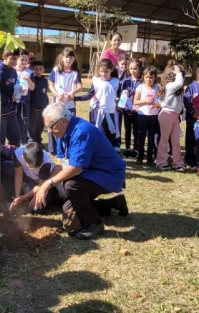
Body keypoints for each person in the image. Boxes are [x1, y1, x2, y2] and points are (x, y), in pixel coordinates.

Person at [35, 103, 128, 240]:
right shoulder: (62, 133)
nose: (49, 131)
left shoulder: (82, 132)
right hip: (92, 173)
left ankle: (95, 224)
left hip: (110, 174)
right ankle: (114, 204)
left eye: (51, 126)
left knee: (71, 185)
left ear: (63, 121)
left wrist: (48, 184)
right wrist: (44, 186)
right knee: (70, 207)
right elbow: (60, 165)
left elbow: (75, 169)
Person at [75, 59, 120, 148]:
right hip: (99, 112)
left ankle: (109, 151)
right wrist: (74, 98)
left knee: (112, 134)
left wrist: (121, 98)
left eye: (106, 72)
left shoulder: (116, 81)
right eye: (101, 71)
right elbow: (89, 95)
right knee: (100, 133)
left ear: (111, 69)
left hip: (111, 112)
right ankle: (100, 151)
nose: (103, 74)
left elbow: (120, 95)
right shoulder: (96, 80)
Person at [10, 142, 65, 213]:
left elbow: (41, 185)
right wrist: (17, 197)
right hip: (30, 178)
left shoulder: (46, 163)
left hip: (45, 182)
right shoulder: (18, 154)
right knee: (7, 167)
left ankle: (55, 195)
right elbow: (18, 175)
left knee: (36, 209)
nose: (33, 169)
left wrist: (23, 198)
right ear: (23, 158)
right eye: (31, 166)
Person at [47, 47, 82, 154]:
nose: (68, 59)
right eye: (66, 57)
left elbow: (80, 87)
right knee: (53, 126)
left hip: (69, 105)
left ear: (74, 59)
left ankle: (67, 148)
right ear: (62, 57)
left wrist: (72, 93)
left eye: (71, 57)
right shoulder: (56, 70)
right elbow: (51, 84)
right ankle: (53, 149)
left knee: (69, 126)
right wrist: (56, 93)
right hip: (57, 104)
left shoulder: (75, 72)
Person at [155, 61, 185, 171]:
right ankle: (161, 161)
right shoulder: (170, 86)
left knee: (176, 141)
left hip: (175, 116)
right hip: (166, 114)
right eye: (179, 75)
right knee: (164, 140)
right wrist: (178, 73)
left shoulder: (178, 90)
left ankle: (178, 163)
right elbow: (179, 83)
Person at [133, 66, 160, 165]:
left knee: (152, 137)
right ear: (143, 77)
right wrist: (144, 101)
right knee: (141, 136)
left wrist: (156, 105)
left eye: (151, 78)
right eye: (147, 77)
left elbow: (161, 101)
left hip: (153, 116)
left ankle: (149, 158)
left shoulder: (158, 87)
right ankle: (140, 157)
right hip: (142, 115)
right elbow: (135, 101)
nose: (149, 79)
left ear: (155, 78)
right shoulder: (140, 87)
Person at [119, 58, 143, 159]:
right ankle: (128, 149)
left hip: (137, 111)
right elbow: (122, 95)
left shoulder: (142, 82)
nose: (133, 71)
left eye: (135, 69)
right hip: (127, 111)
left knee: (136, 131)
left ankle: (136, 149)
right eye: (131, 68)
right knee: (127, 130)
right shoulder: (126, 81)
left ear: (139, 69)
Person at [14, 49, 34, 145]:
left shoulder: (29, 72)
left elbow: (32, 87)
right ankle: (13, 142)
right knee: (13, 122)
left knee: (23, 122)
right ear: (16, 59)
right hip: (13, 101)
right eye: (22, 59)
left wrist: (28, 80)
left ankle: (23, 142)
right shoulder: (11, 70)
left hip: (24, 101)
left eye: (26, 60)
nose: (24, 62)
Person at [28, 60, 49, 144]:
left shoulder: (44, 81)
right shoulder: (32, 80)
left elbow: (45, 93)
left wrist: (46, 104)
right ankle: (32, 142)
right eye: (36, 69)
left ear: (43, 70)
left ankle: (39, 141)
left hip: (42, 109)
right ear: (33, 70)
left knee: (40, 126)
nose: (38, 71)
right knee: (31, 127)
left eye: (40, 69)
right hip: (33, 109)